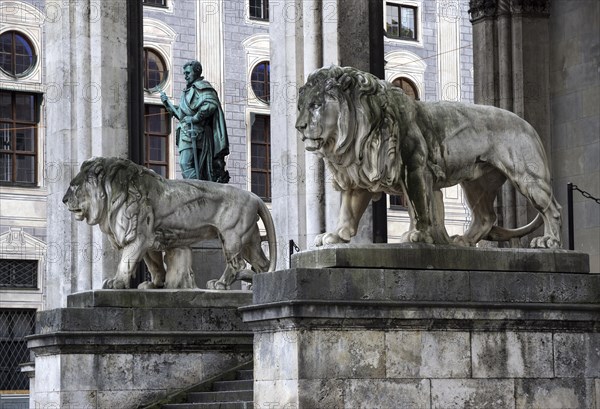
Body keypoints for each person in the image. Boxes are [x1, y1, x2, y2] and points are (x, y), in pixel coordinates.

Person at [160, 60, 230, 182]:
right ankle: (198, 189)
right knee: (189, 165)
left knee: (185, 164)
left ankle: (197, 190)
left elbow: (210, 105)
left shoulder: (203, 87)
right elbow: (182, 116)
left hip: (195, 133)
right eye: (184, 73)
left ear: (196, 72)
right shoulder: (187, 91)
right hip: (185, 133)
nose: (185, 76)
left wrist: (195, 118)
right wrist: (167, 103)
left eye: (188, 73)